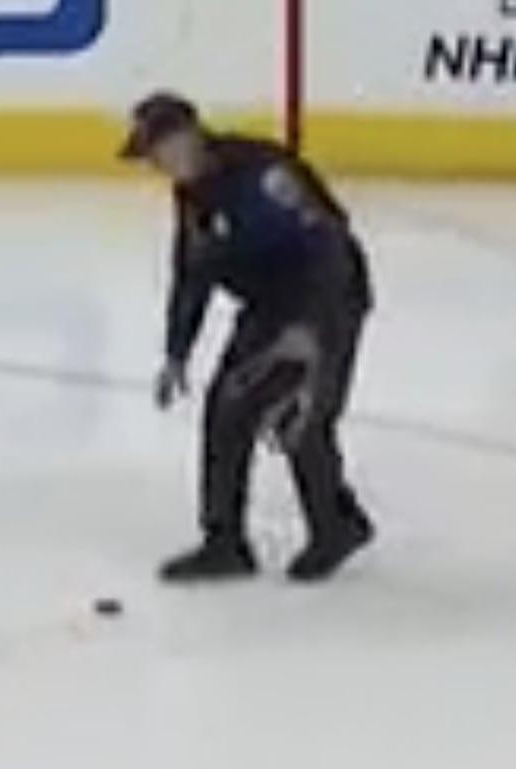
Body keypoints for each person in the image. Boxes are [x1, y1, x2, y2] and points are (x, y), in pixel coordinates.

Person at [118, 91, 375, 583]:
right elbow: (192, 272)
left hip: (327, 302)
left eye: (158, 152)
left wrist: (311, 331)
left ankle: (336, 527)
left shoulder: (263, 174)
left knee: (303, 420)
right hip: (268, 308)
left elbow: (330, 245)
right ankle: (224, 543)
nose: (155, 166)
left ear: (188, 136)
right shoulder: (193, 193)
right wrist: (177, 352)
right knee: (226, 411)